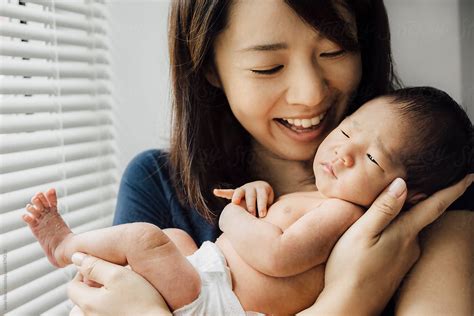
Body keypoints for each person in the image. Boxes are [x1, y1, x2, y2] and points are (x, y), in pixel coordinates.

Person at [66, 1, 474, 315]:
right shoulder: (156, 182)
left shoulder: (431, 184)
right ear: (209, 66)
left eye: (334, 52)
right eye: (268, 67)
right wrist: (349, 300)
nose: (310, 94)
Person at [24, 87, 473, 314]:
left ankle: (67, 245)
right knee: (174, 237)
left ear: (406, 193)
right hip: (209, 274)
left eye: (372, 157)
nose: (343, 152)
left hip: (220, 298)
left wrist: (232, 214)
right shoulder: (154, 177)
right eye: (348, 130)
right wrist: (258, 197)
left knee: (146, 239)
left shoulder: (345, 212)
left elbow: (277, 255)